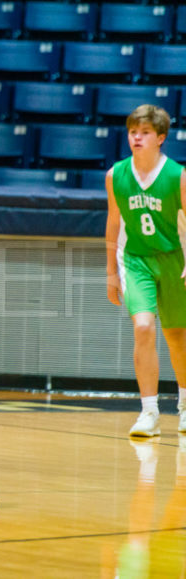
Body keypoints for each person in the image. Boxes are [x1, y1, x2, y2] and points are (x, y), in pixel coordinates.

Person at [105, 104, 186, 437]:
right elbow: (112, 223)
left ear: (161, 138)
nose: (137, 138)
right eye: (132, 132)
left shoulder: (178, 176)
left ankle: (184, 406)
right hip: (136, 259)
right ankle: (149, 411)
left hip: (174, 259)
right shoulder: (115, 175)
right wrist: (111, 271)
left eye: (145, 133)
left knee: (177, 337)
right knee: (143, 327)